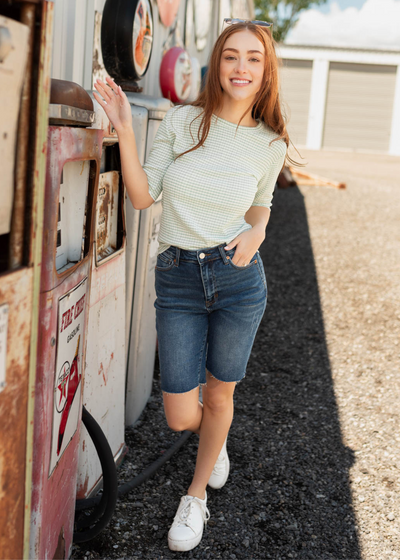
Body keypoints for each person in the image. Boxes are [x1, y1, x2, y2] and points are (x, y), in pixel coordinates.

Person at [93, 18, 289, 553]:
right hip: (178, 276)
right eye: (231, 56)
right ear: (217, 65)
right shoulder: (183, 122)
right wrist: (125, 130)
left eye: (253, 57)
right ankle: (213, 438)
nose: (241, 67)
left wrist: (259, 231)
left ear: (266, 69)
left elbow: (261, 207)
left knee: (220, 394)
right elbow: (140, 196)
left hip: (238, 280)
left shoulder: (270, 143)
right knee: (182, 415)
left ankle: (196, 494)